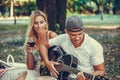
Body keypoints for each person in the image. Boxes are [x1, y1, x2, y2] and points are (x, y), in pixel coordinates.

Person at [38, 15, 105, 80]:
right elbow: (42, 46)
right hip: (63, 76)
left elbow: (101, 71)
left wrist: (87, 77)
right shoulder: (63, 39)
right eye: (73, 35)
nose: (77, 38)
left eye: (80, 34)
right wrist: (47, 63)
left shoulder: (94, 46)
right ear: (66, 31)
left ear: (83, 30)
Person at [16, 10, 57, 80]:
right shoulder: (32, 39)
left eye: (41, 22)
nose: (39, 26)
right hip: (37, 72)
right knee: (21, 78)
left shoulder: (51, 36)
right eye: (36, 23)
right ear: (32, 25)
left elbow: (61, 56)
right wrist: (29, 53)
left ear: (45, 22)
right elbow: (30, 67)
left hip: (51, 73)